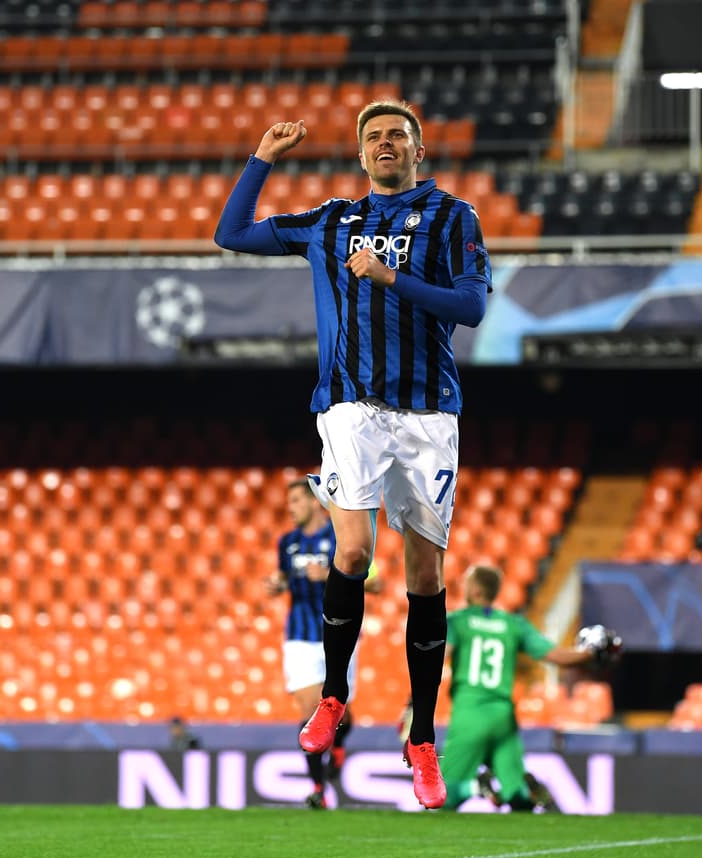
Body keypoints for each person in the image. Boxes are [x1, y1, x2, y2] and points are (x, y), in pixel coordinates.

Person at [215, 99, 492, 810]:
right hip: (350, 406)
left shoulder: (454, 219)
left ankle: (422, 736)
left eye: (398, 135)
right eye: (374, 137)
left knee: (425, 574)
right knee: (352, 553)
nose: (385, 144)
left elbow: (471, 308)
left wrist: (390, 276)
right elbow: (232, 233)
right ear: (361, 155)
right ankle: (334, 697)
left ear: (418, 152)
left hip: (428, 413)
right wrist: (263, 159)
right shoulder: (332, 221)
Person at [439, 564, 606, 812]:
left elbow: (438, 658)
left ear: (474, 590)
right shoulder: (513, 624)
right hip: (503, 716)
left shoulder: (457, 621)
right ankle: (520, 792)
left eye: (466, 583)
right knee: (517, 796)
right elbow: (556, 655)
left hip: (470, 711)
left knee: (442, 798)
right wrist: (591, 651)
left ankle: (475, 786)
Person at [267, 477, 381, 809]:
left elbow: (375, 583)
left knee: (342, 714)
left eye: (296, 501)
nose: (291, 508)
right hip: (300, 636)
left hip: (338, 635)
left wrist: (331, 575)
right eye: (288, 503)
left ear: (313, 502)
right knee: (309, 712)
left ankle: (340, 748)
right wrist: (278, 583)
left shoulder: (340, 537)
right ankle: (319, 789)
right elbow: (286, 576)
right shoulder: (286, 542)